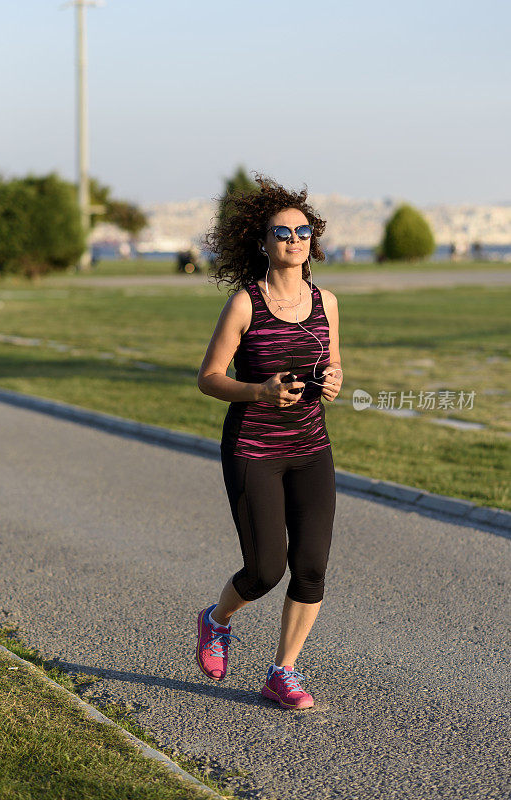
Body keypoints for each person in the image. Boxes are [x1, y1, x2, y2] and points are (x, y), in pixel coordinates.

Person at [196, 174, 343, 710]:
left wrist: (333, 380)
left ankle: (283, 671)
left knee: (310, 567)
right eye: (282, 232)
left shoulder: (326, 301)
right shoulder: (245, 304)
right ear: (262, 243)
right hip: (253, 450)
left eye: (303, 230)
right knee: (265, 571)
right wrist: (259, 391)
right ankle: (216, 620)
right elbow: (210, 378)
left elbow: (334, 365)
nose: (294, 239)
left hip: (311, 449)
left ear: (313, 239)